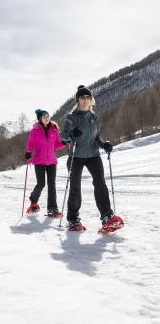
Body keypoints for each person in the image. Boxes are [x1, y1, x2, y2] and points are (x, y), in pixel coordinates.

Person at [61, 85, 122, 232]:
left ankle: (107, 216)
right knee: (75, 188)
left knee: (100, 183)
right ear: (78, 100)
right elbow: (64, 136)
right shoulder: (72, 117)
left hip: (93, 155)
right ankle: (73, 220)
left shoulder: (94, 118)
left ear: (91, 100)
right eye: (82, 98)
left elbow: (96, 138)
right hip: (76, 156)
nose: (85, 100)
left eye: (88, 97)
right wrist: (71, 135)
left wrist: (104, 145)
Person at [25, 109, 66, 217]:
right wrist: (28, 152)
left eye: (47, 115)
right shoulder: (35, 131)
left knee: (52, 185)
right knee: (41, 184)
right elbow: (31, 144)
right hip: (39, 161)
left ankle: (52, 209)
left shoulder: (54, 130)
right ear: (40, 119)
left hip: (52, 161)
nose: (46, 118)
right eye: (44, 116)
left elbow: (56, 145)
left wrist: (63, 143)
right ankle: (33, 200)